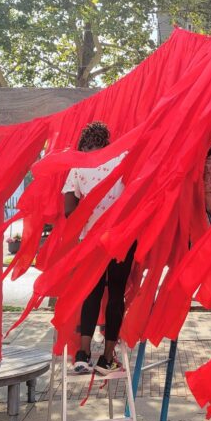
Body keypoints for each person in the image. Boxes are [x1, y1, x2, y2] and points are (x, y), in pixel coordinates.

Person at [62, 122, 132, 375]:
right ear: (108, 142)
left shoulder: (78, 166)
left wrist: (90, 218)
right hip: (121, 238)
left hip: (91, 240)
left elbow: (69, 210)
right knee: (115, 295)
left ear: (83, 145)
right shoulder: (122, 159)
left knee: (91, 292)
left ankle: (82, 355)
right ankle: (107, 358)